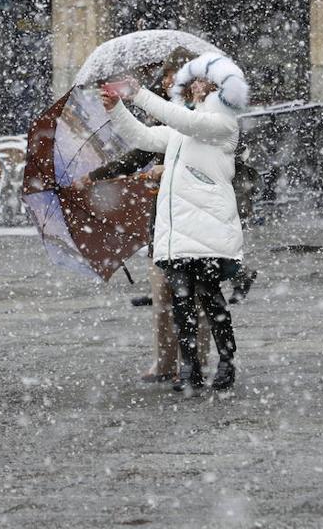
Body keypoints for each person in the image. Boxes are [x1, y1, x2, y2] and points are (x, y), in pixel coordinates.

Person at [101, 52, 250, 394]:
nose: (194, 85)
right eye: (193, 80)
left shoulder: (222, 123)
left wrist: (137, 93)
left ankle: (226, 361)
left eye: (201, 80)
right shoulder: (184, 126)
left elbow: (184, 122)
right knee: (181, 300)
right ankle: (190, 365)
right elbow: (144, 137)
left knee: (210, 298)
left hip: (209, 226)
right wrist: (116, 109)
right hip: (178, 229)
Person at [74, 49, 211, 383]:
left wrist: (174, 169)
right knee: (162, 292)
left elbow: (217, 164)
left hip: (198, 216)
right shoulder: (165, 119)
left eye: (177, 75)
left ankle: (194, 362)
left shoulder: (209, 119)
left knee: (198, 295)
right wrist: (96, 176)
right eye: (166, 75)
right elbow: (140, 147)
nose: (169, 81)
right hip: (163, 216)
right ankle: (165, 361)